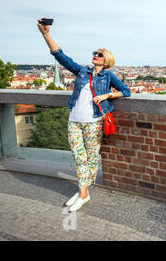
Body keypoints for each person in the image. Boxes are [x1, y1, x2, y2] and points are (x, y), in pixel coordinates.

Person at [37, 18, 131, 211]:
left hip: (94, 121)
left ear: (106, 61)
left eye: (99, 54)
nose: (95, 55)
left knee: (90, 157)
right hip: (74, 120)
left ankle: (82, 193)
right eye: (94, 53)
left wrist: (107, 94)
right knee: (79, 156)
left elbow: (126, 91)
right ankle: (84, 192)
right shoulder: (82, 71)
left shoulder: (108, 76)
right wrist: (46, 34)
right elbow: (60, 56)